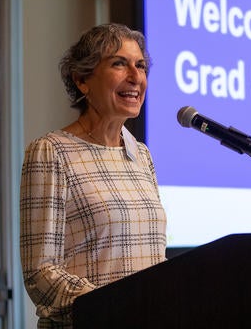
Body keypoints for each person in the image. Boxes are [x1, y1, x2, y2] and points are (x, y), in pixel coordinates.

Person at [20, 23, 167, 328]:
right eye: (119, 64)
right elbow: (41, 273)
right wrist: (114, 306)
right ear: (82, 80)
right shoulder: (51, 152)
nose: (135, 76)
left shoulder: (142, 155)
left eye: (140, 65)